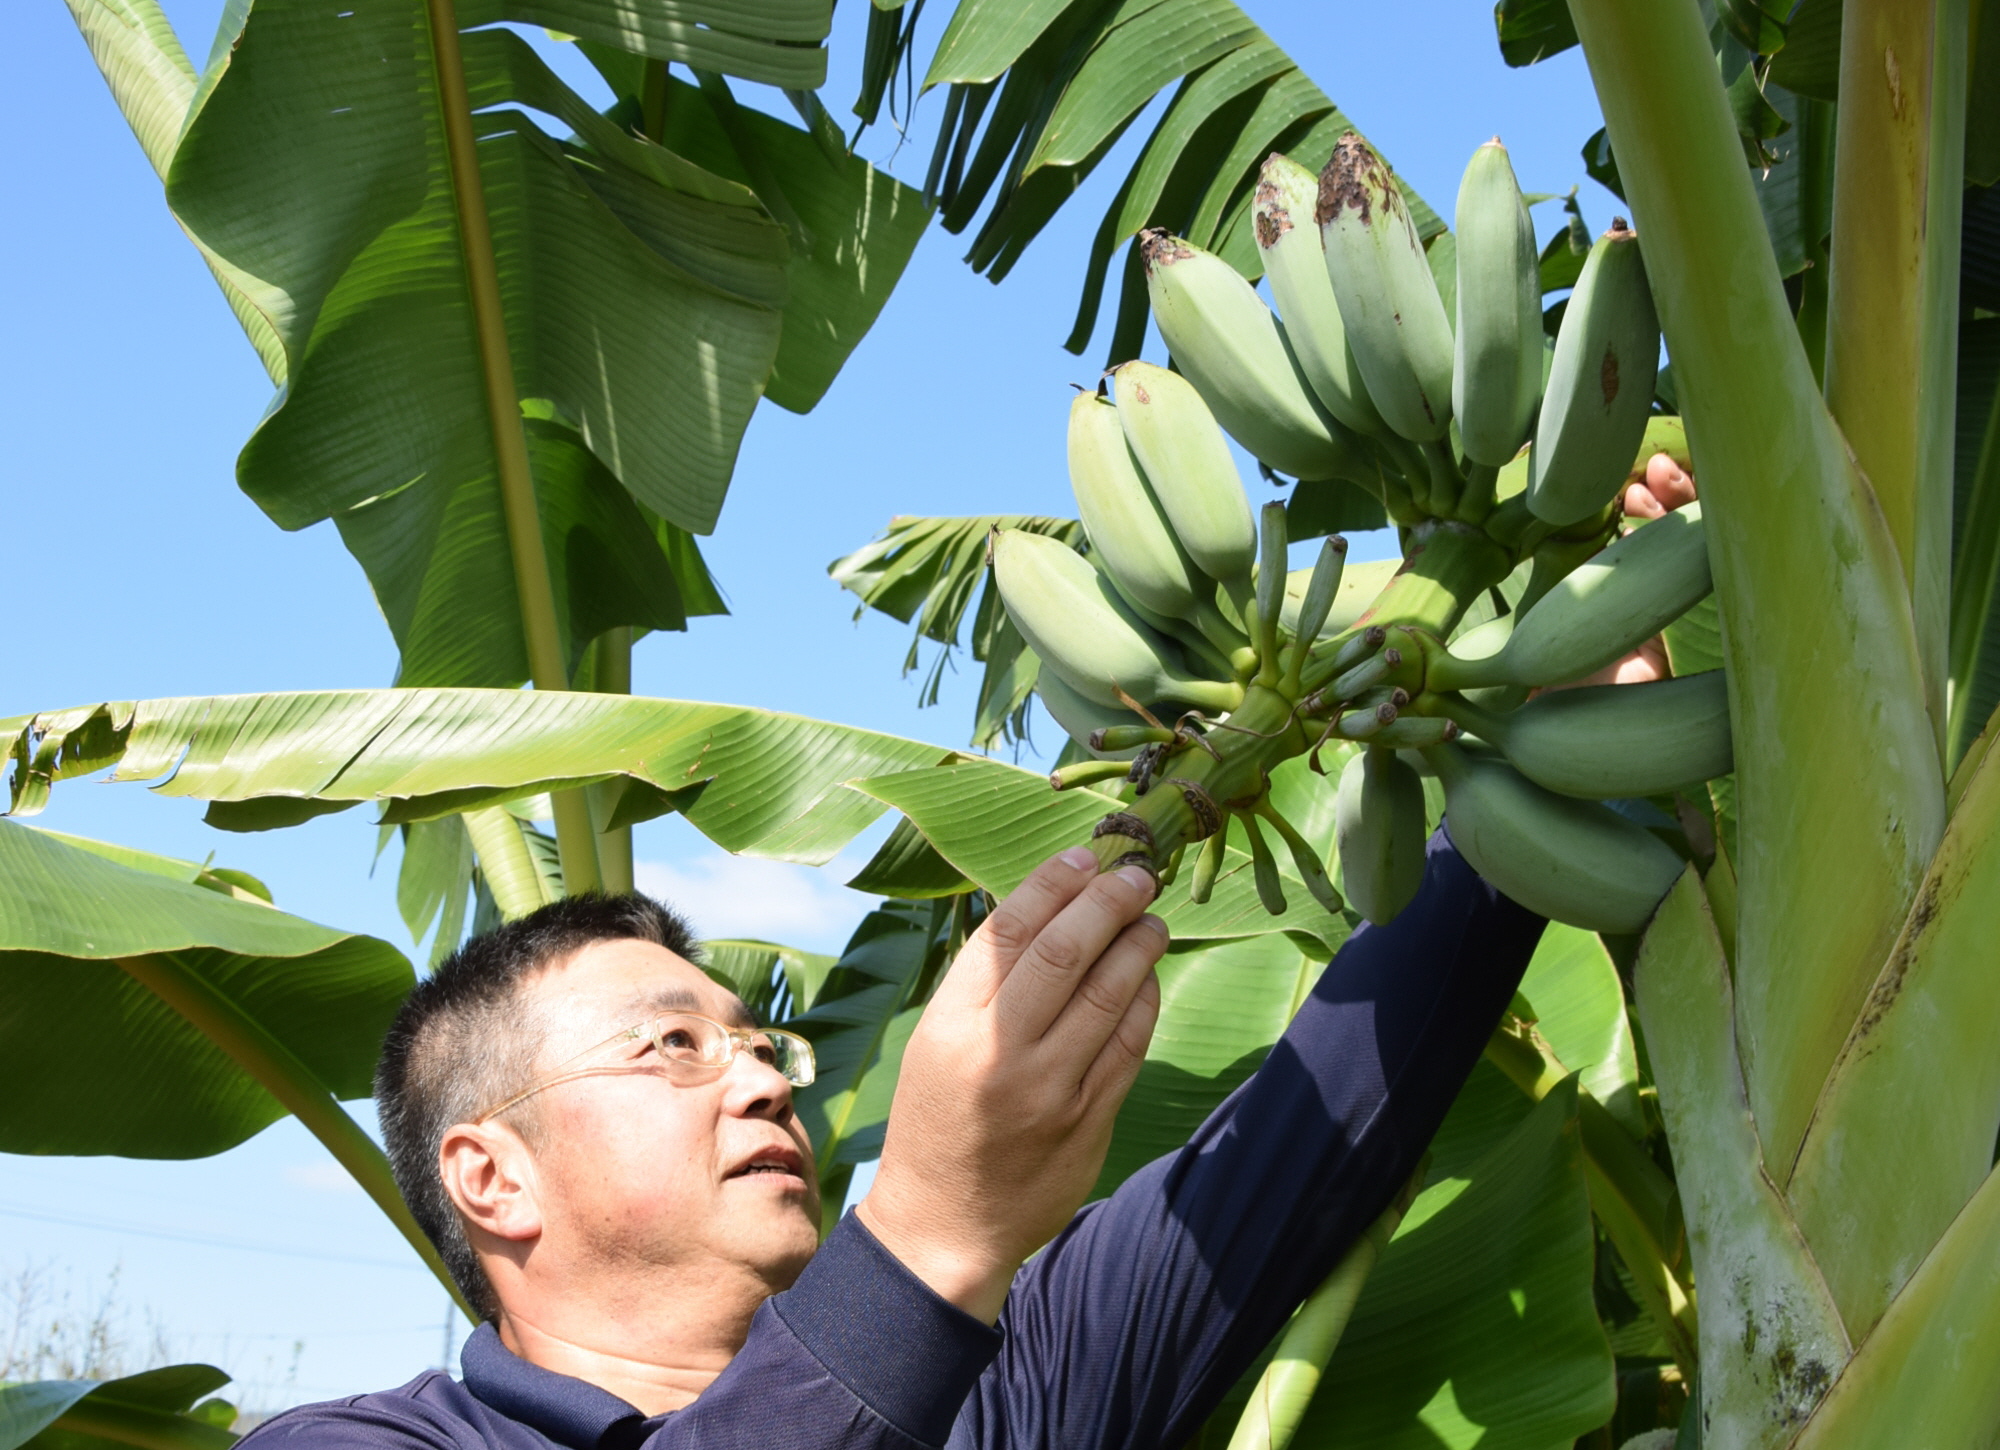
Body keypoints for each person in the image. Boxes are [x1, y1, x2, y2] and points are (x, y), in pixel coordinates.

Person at [243, 459, 1696, 1450]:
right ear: (489, 1172)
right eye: (671, 1046)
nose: (758, 1079)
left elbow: (1319, 1128)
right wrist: (929, 1233)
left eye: (761, 1042)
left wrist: (1553, 725)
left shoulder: (1015, 1379)